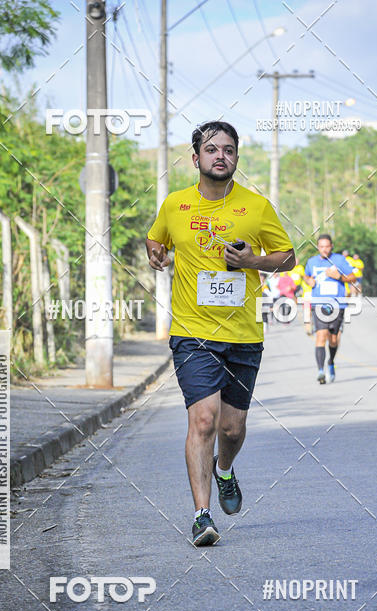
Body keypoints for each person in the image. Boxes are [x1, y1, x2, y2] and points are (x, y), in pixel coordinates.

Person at [146, 120, 295, 546]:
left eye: (228, 150)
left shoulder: (256, 207)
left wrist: (252, 262)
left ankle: (224, 469)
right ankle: (201, 515)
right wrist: (155, 253)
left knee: (231, 430)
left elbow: (286, 258)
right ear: (196, 159)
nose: (220, 156)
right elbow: (155, 240)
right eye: (212, 150)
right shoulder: (175, 205)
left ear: (236, 158)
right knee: (204, 420)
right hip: (192, 333)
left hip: (244, 335)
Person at [304, 234, 356, 383]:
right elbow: (306, 276)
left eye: (327, 246)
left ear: (331, 246)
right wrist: (309, 281)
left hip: (337, 304)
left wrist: (339, 277)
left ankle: (331, 362)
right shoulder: (311, 262)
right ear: (318, 247)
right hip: (319, 304)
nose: (324, 249)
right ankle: (320, 371)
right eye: (321, 246)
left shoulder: (340, 260)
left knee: (333, 339)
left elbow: (352, 277)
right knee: (321, 336)